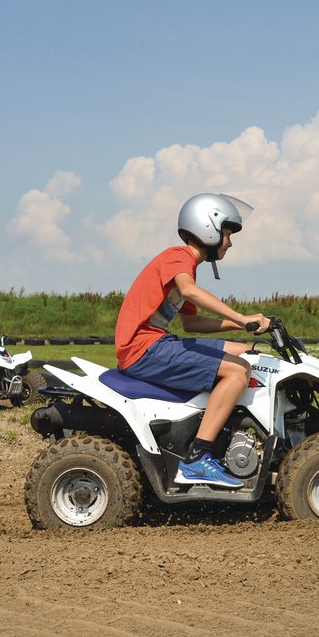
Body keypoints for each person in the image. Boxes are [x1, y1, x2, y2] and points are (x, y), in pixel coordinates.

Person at [114, 193, 270, 489]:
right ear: (209, 228)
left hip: (158, 343)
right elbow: (190, 291)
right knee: (237, 371)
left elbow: (192, 323)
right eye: (227, 233)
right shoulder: (178, 257)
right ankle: (198, 457)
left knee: (248, 354)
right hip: (143, 349)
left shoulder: (185, 265)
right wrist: (240, 317)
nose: (230, 242)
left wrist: (248, 328)